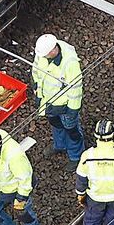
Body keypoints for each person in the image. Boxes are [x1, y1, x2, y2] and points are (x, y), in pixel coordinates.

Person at [31, 33, 84, 163]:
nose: (42, 56)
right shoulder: (42, 53)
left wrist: (72, 109)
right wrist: (35, 85)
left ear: (54, 50)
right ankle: (60, 146)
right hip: (48, 103)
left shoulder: (70, 63)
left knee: (72, 131)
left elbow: (75, 89)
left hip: (65, 106)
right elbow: (36, 71)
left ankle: (76, 156)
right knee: (56, 125)